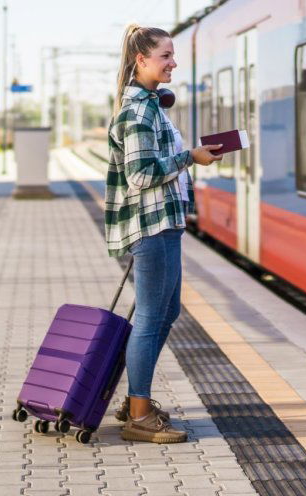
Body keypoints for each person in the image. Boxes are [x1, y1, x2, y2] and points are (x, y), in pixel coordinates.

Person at [105, 23, 222, 444]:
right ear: (142, 60)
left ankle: (135, 401)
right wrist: (189, 157)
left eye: (173, 55)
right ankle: (139, 414)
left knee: (165, 314)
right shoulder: (137, 112)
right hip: (151, 226)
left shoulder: (152, 106)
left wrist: (187, 156)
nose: (173, 63)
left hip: (165, 224)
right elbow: (139, 175)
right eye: (166, 56)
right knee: (152, 319)